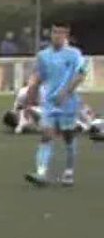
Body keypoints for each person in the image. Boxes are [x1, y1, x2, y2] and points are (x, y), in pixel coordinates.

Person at [24, 22, 88, 187]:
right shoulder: (43, 55)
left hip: (68, 103)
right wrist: (29, 101)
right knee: (46, 135)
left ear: (66, 35)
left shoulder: (74, 54)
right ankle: (41, 173)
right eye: (54, 32)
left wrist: (66, 92)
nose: (56, 36)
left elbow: (81, 75)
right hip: (49, 103)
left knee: (68, 137)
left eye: (60, 33)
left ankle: (69, 171)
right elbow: (38, 78)